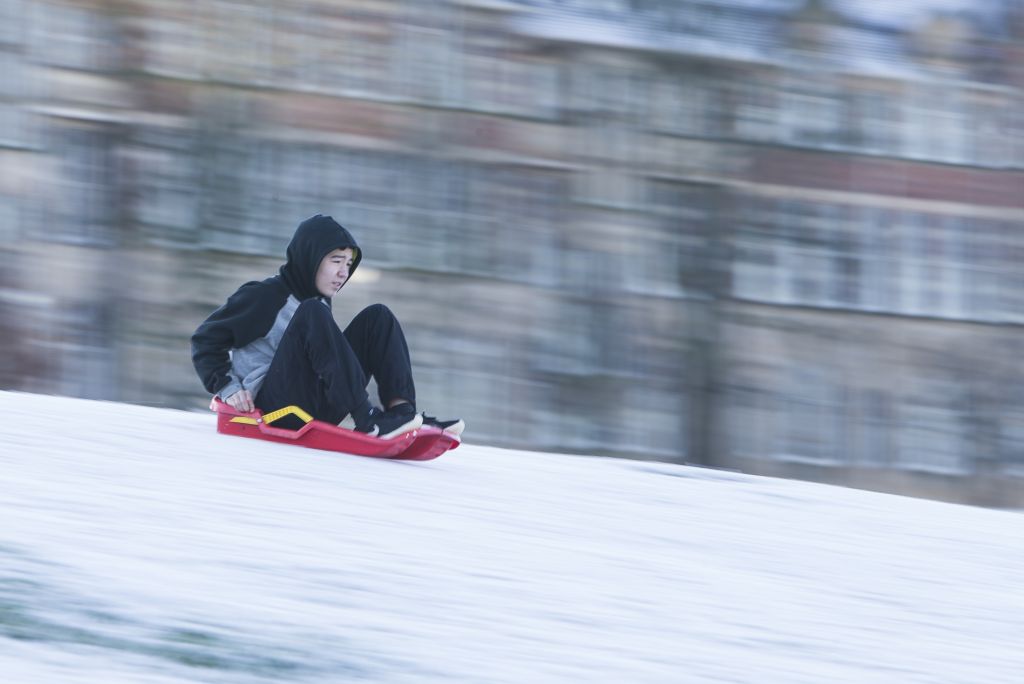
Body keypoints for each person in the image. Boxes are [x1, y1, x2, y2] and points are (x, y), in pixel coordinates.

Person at [191, 214, 463, 439]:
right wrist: (228, 387)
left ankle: (402, 416)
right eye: (335, 261)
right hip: (274, 409)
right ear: (310, 258)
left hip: (313, 404)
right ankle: (369, 420)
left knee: (378, 318)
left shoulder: (318, 301)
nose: (343, 273)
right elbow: (205, 340)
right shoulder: (264, 296)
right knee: (311, 312)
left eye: (348, 264)